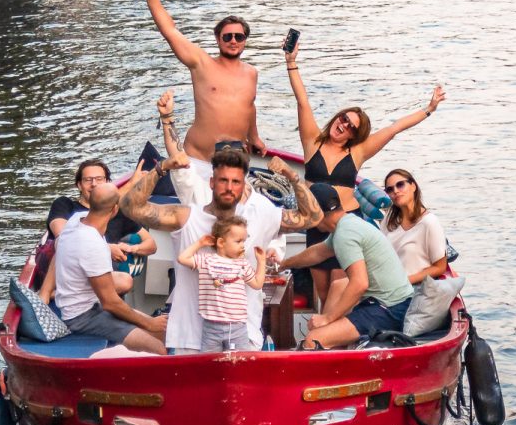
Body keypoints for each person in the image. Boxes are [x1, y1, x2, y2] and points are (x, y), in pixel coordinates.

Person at [284, 40, 445, 306]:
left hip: (347, 223)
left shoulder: (357, 153)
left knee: (342, 286)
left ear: (355, 134)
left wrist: (429, 109)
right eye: (343, 119)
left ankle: (340, 340)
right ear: (337, 117)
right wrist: (291, 63)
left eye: (351, 127)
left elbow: (394, 128)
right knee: (324, 294)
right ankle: (332, 337)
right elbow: (303, 101)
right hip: (316, 225)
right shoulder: (312, 142)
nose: (343, 126)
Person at [122, 145, 320, 353]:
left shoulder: (262, 215)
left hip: (244, 335)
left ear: (243, 185)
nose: (229, 187)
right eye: (223, 180)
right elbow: (131, 207)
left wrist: (292, 176)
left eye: (236, 182)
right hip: (190, 340)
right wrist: (161, 168)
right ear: (211, 183)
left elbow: (313, 217)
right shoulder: (185, 217)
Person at [137, 0, 265, 168]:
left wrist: (254, 137)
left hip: (234, 160)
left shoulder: (251, 73)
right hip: (199, 157)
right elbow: (171, 32)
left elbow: (249, 106)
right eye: (227, 36)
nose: (233, 41)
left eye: (238, 37)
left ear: (244, 41)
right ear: (217, 39)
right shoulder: (201, 63)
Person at [281, 184, 413, 349]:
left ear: (316, 213)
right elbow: (317, 253)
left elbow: (360, 283)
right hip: (391, 301)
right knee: (338, 285)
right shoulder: (347, 223)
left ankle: (324, 353)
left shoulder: (345, 235)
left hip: (389, 309)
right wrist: (284, 264)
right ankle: (334, 345)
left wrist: (328, 318)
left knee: (313, 340)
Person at [54, 182, 168, 354]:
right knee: (159, 349)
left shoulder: (75, 220)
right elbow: (110, 303)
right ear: (115, 210)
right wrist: (149, 323)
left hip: (90, 306)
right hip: (83, 317)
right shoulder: (92, 245)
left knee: (162, 332)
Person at [41, 159, 156, 301]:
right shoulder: (65, 205)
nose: (94, 184)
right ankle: (49, 294)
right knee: (61, 242)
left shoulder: (116, 212)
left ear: (108, 182)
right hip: (70, 271)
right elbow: (64, 236)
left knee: (125, 281)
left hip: (99, 275)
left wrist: (133, 249)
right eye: (88, 180)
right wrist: (107, 248)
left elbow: (151, 245)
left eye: (99, 179)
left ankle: (56, 294)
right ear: (79, 185)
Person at [178, 215, 269, 351]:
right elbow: (182, 258)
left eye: (244, 241)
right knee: (209, 363)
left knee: (240, 362)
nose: (243, 245)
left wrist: (262, 262)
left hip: (238, 327)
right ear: (221, 243)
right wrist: (200, 243)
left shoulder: (243, 264)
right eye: (238, 241)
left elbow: (257, 284)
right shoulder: (206, 260)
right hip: (211, 326)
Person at [381, 169, 448, 286]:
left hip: (415, 288)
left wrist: (404, 282)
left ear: (413, 186)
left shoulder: (429, 222)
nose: (395, 191)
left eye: (400, 185)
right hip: (389, 288)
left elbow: (440, 267)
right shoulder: (388, 220)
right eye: (390, 189)